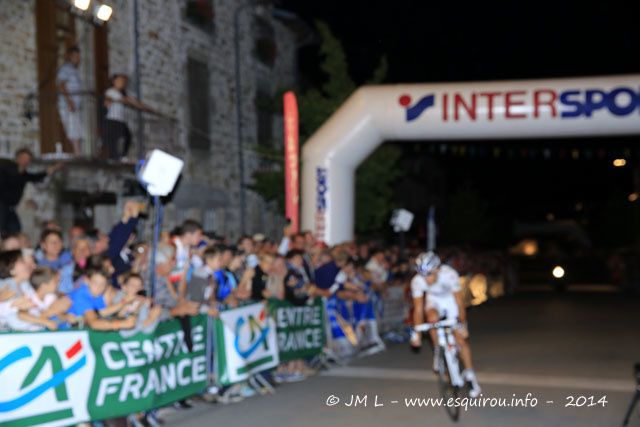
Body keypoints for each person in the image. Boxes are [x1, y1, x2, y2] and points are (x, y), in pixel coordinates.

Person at [410, 251, 481, 397]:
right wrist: (416, 333)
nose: (426, 279)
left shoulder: (449, 274)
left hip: (450, 301)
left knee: (460, 340)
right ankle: (438, 349)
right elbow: (418, 309)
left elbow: (460, 303)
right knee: (431, 318)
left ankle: (470, 374)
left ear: (437, 269)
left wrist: (462, 325)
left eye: (429, 274)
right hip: (434, 300)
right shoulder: (417, 281)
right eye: (423, 275)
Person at [0, 148, 62, 235]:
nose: (25, 161)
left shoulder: (24, 175)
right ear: (17, 158)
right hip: (2, 206)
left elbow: (38, 177)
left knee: (15, 230)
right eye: (23, 158)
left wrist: (54, 168)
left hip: (10, 208)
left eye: (28, 159)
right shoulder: (6, 169)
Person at [103, 74, 156, 159]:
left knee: (127, 136)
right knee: (114, 140)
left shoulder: (123, 94)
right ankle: (115, 157)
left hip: (120, 119)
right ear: (114, 82)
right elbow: (108, 102)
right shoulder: (111, 91)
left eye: (124, 82)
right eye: (120, 81)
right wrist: (125, 101)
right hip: (112, 119)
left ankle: (122, 156)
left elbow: (134, 102)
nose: (122, 83)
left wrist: (147, 108)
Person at [57, 46, 84, 155]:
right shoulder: (65, 69)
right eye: (76, 56)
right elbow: (62, 85)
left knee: (78, 130)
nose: (78, 59)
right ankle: (77, 154)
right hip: (68, 106)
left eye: (79, 56)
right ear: (70, 57)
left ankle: (78, 153)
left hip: (75, 106)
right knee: (73, 130)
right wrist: (69, 101)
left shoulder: (74, 71)